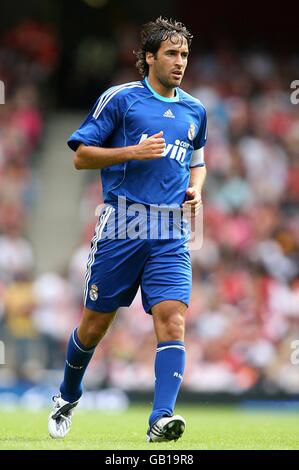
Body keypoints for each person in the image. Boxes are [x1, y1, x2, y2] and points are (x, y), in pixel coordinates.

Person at [48, 17, 207, 442]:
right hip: (122, 224)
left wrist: (196, 189)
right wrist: (133, 152)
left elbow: (198, 161)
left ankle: (160, 418)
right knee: (94, 326)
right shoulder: (120, 100)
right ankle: (67, 394)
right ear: (149, 57)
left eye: (185, 55)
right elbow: (81, 156)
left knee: (172, 320)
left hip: (170, 230)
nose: (180, 62)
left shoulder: (195, 109)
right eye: (172, 53)